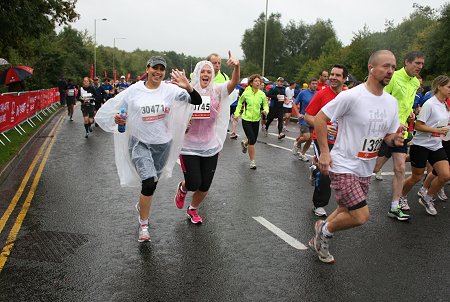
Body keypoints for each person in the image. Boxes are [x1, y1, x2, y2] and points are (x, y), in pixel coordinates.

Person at [309, 50, 404, 264]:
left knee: (345, 209)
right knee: (360, 216)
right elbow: (320, 118)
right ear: (372, 68)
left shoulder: (391, 102)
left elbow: (388, 136)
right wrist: (324, 152)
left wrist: (394, 139)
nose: (390, 71)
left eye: (393, 67)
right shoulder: (352, 95)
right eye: (386, 66)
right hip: (343, 164)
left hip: (365, 167)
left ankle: (321, 228)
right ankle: (324, 233)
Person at [95, 56, 202, 242]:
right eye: (154, 68)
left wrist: (188, 86)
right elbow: (119, 112)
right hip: (139, 143)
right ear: (148, 69)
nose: (157, 72)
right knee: (149, 183)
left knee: (153, 182)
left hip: (163, 144)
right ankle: (143, 225)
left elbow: (196, 101)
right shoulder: (134, 91)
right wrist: (119, 119)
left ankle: (142, 205)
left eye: (161, 69)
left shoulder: (170, 90)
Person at [174, 52, 240, 224]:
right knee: (194, 183)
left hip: (210, 145)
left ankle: (193, 209)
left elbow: (234, 82)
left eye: (209, 72)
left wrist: (237, 67)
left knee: (205, 186)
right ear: (197, 73)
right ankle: (183, 188)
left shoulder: (218, 91)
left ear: (213, 75)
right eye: (202, 71)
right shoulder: (186, 91)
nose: (206, 74)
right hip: (189, 145)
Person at [372, 51, 424, 221]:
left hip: (401, 132)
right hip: (385, 131)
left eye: (422, 64)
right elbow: (382, 99)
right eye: (417, 63)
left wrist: (410, 114)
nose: (420, 66)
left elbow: (406, 103)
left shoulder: (415, 82)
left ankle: (394, 206)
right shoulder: (393, 77)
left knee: (400, 167)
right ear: (406, 63)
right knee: (375, 168)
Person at [400, 75, 450, 216]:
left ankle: (428, 197)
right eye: (449, 87)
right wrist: (436, 130)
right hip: (421, 145)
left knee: (445, 175)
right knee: (416, 177)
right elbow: (418, 125)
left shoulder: (445, 104)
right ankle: (401, 197)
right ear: (439, 86)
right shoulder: (430, 104)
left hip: (436, 145)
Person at [304, 65, 347, 217]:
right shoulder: (322, 94)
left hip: (341, 140)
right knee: (326, 171)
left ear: (344, 79)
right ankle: (319, 204)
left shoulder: (348, 95)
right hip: (320, 138)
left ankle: (315, 169)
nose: (333, 78)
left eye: (338, 75)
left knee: (337, 170)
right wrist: (322, 125)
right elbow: (308, 116)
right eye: (332, 75)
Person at [233, 74, 269, 169]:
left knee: (253, 140)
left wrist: (266, 111)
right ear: (251, 83)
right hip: (246, 119)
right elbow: (240, 103)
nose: (258, 83)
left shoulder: (262, 94)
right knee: (252, 140)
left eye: (259, 81)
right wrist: (236, 114)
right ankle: (252, 161)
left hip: (256, 119)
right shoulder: (246, 93)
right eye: (256, 81)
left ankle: (245, 143)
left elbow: (265, 105)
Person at [293, 78, 318, 161]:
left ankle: (302, 154)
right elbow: (294, 103)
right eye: (313, 83)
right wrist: (298, 114)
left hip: (313, 119)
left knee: (310, 139)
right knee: (307, 137)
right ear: (309, 84)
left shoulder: (318, 94)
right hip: (304, 118)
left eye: (316, 84)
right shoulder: (303, 93)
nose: (315, 85)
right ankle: (297, 143)